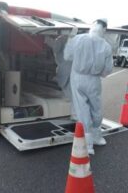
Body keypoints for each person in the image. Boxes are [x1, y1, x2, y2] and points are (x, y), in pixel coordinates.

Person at [64, 19, 113, 155]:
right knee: (96, 107)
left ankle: (88, 144)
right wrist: (99, 73)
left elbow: (67, 56)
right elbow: (107, 69)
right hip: (94, 79)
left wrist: (70, 38)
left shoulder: (78, 39)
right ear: (104, 29)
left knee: (82, 109)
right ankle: (97, 137)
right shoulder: (106, 46)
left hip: (78, 77)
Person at [45, 34, 76, 119]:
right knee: (73, 93)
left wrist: (46, 39)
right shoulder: (72, 38)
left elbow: (56, 47)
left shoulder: (62, 38)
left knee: (70, 94)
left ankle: (74, 116)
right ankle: (75, 115)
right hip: (72, 69)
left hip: (65, 69)